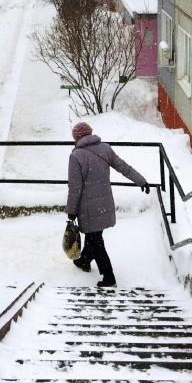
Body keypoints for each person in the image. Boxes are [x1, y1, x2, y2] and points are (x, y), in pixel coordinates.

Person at [66, 122, 150, 287]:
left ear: (76, 138)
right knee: (94, 236)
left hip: (88, 208)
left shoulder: (76, 156)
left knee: (95, 239)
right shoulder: (105, 149)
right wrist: (141, 181)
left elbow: (75, 187)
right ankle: (84, 260)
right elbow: (124, 168)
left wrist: (71, 210)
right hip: (104, 203)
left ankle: (109, 277)